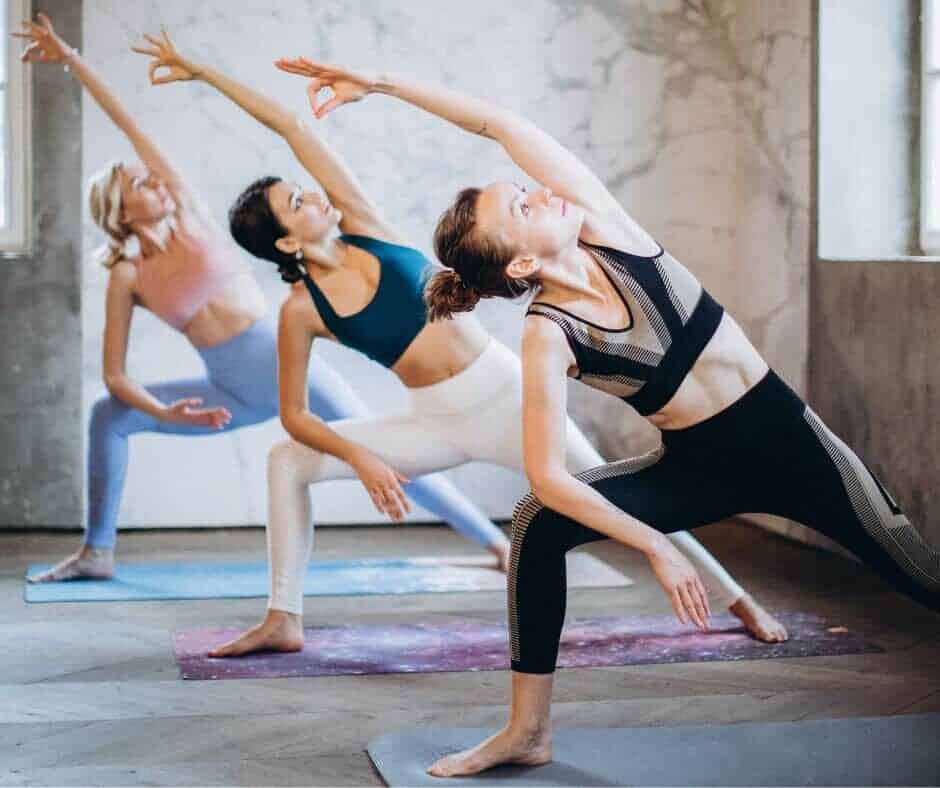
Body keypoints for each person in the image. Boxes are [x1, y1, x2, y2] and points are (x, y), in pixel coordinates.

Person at [273, 56, 940, 777]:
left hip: (797, 446)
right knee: (536, 521)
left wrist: (380, 86)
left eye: (525, 192)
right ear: (521, 267)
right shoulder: (546, 334)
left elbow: (499, 124)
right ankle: (527, 731)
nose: (540, 194)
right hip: (698, 466)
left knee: (921, 575)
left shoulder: (610, 232)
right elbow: (548, 476)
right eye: (522, 208)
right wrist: (650, 542)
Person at [133, 33, 785, 657]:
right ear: (284, 242)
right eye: (296, 201)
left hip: (505, 397)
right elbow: (297, 415)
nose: (311, 196)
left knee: (620, 495)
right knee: (286, 458)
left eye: (300, 188)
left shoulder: (365, 226)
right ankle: (282, 617)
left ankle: (737, 600)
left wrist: (203, 71)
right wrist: (360, 457)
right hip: (434, 422)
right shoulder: (302, 310)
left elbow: (294, 128)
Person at [16, 15, 510, 584]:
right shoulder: (128, 275)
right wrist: (162, 412)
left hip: (281, 364)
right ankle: (96, 552)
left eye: (150, 177)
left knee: (386, 452)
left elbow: (131, 127)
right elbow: (115, 376)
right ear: (121, 212)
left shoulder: (192, 220)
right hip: (227, 387)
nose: (153, 181)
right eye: (138, 184)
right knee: (109, 416)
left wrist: (74, 59)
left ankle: (494, 540)